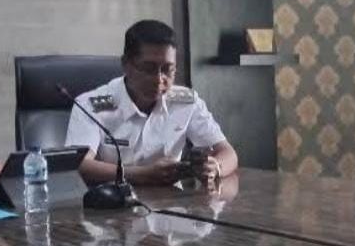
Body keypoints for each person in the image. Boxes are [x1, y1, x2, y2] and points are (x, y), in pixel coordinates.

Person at [65, 20, 238, 186]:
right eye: (149, 69)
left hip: (171, 200)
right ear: (126, 65)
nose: (158, 79)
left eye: (168, 70)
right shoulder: (91, 105)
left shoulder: (186, 102)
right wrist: (142, 174)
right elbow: (81, 165)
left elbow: (228, 153)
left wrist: (216, 167)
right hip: (113, 199)